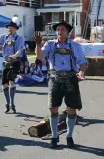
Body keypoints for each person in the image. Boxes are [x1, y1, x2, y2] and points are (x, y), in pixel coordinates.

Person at [34, 20, 88, 149]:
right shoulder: (50, 44)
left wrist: (82, 71)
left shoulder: (75, 46)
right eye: (58, 29)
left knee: (72, 109)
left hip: (70, 78)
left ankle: (69, 136)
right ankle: (54, 136)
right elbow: (40, 57)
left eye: (63, 29)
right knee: (53, 108)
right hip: (55, 78)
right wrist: (37, 44)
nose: (60, 31)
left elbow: (83, 62)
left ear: (67, 32)